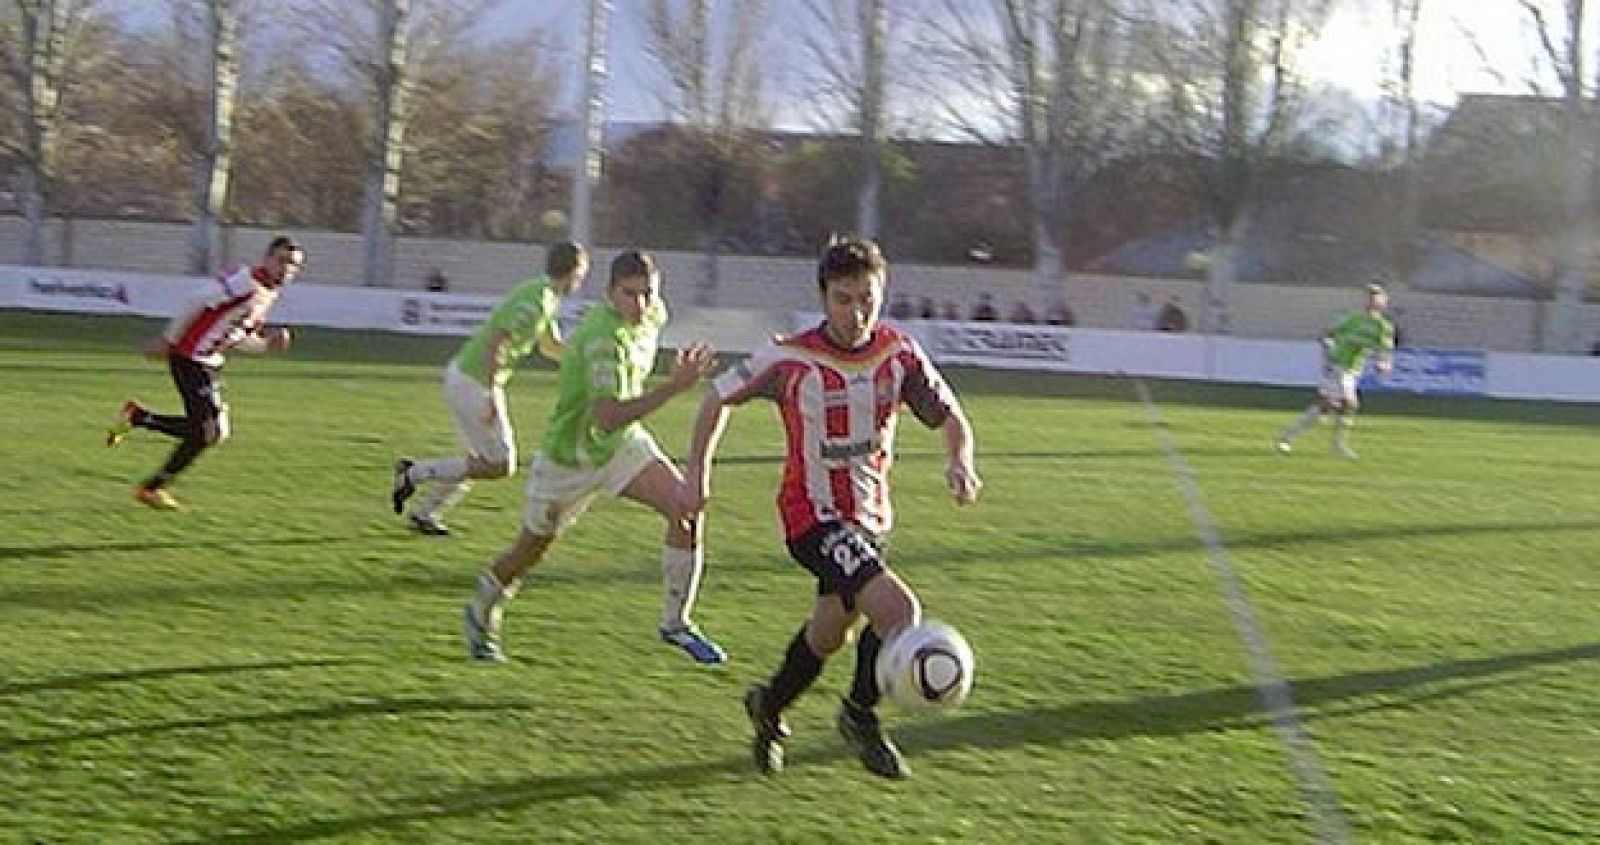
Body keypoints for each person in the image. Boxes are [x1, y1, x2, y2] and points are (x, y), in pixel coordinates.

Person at [680, 237, 982, 779]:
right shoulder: (789, 357)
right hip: (811, 516)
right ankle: (859, 715)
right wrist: (696, 475)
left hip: (871, 520)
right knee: (898, 611)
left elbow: (952, 415)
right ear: (824, 298)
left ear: (881, 294)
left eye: (867, 297)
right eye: (844, 299)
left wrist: (960, 461)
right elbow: (714, 399)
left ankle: (769, 705)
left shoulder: (900, 354)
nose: (857, 311)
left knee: (829, 634)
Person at [461, 250, 728, 665]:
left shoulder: (653, 312)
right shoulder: (604, 339)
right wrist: (675, 386)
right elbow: (606, 417)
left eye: (646, 293)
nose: (639, 304)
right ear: (608, 293)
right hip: (570, 458)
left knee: (685, 507)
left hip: (622, 447)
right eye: (629, 294)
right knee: (529, 550)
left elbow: (615, 424)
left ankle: (676, 624)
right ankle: (481, 607)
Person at [391, 242, 589, 536]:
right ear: (574, 272)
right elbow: (494, 343)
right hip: (475, 382)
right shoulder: (536, 300)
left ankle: (424, 513)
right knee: (500, 464)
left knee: (476, 458)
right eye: (582, 273)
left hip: (469, 378)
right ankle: (413, 472)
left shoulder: (545, 296)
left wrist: (583, 357)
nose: (582, 280)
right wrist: (492, 396)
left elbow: (550, 347)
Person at [105, 236, 303, 509]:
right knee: (207, 432)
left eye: (293, 266)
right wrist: (169, 340)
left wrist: (266, 345)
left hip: (208, 361)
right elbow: (196, 301)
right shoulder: (246, 281)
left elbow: (236, 337)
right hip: (189, 356)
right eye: (282, 261)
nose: (286, 269)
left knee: (214, 432)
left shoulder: (267, 294)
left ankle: (138, 420)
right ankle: (150, 486)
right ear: (267, 258)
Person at [1275, 283, 1396, 459]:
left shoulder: (1382, 327)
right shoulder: (1351, 318)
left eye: (1375, 297)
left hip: (1354, 369)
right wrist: (1328, 346)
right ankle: (1338, 445)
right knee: (1350, 403)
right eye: (1369, 297)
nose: (1371, 301)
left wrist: (1383, 364)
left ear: (1383, 302)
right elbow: (1327, 334)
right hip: (1337, 364)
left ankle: (1287, 436)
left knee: (1326, 406)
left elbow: (1384, 350)